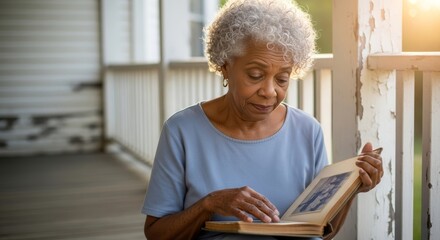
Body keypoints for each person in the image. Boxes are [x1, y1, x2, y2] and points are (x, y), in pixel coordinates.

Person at [141, 0, 384, 239]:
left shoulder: (308, 131)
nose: (269, 91)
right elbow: (156, 233)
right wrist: (210, 204)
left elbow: (318, 232)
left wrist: (352, 189)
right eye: (255, 75)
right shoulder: (182, 131)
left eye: (282, 79)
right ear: (225, 66)